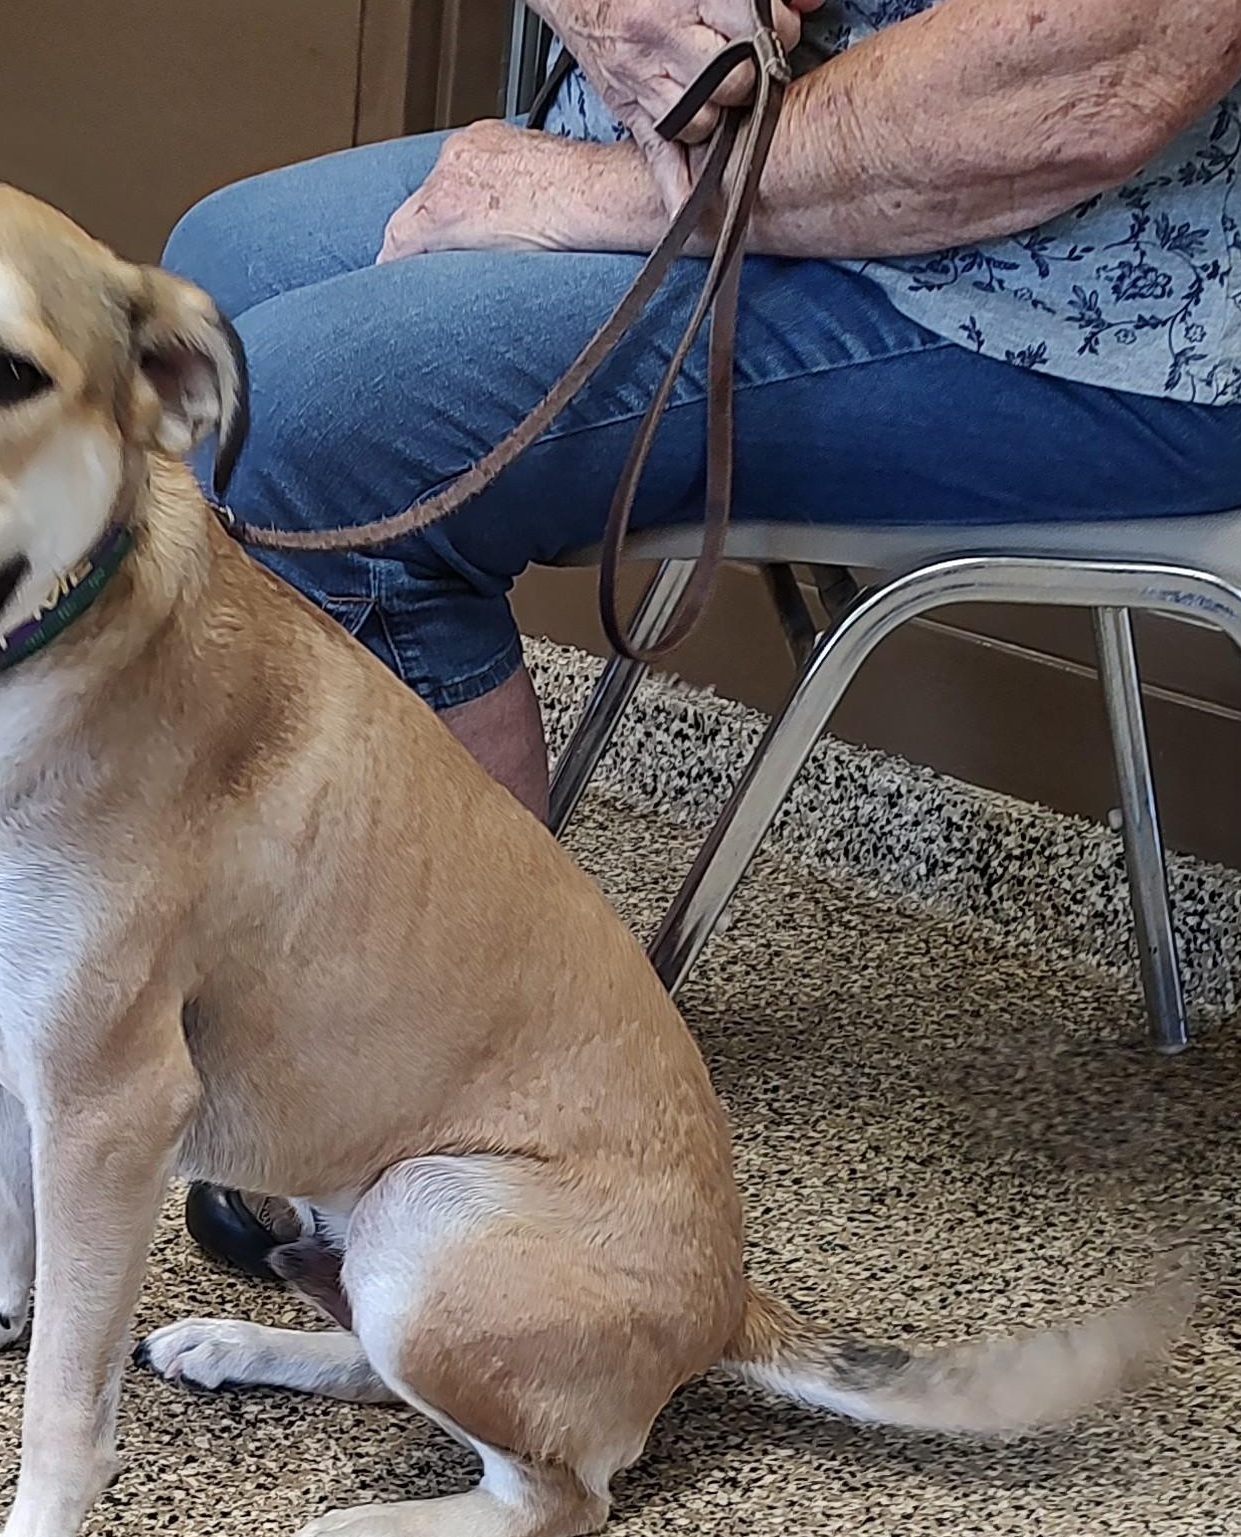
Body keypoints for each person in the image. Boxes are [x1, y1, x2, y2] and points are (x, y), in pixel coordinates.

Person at [162, 0, 1241, 1272]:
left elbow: (1096, 82)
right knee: (218, 274)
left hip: (1059, 285)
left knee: (311, 421)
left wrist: (591, 197)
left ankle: (458, 1110)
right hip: (749, 154)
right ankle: (316, 980)